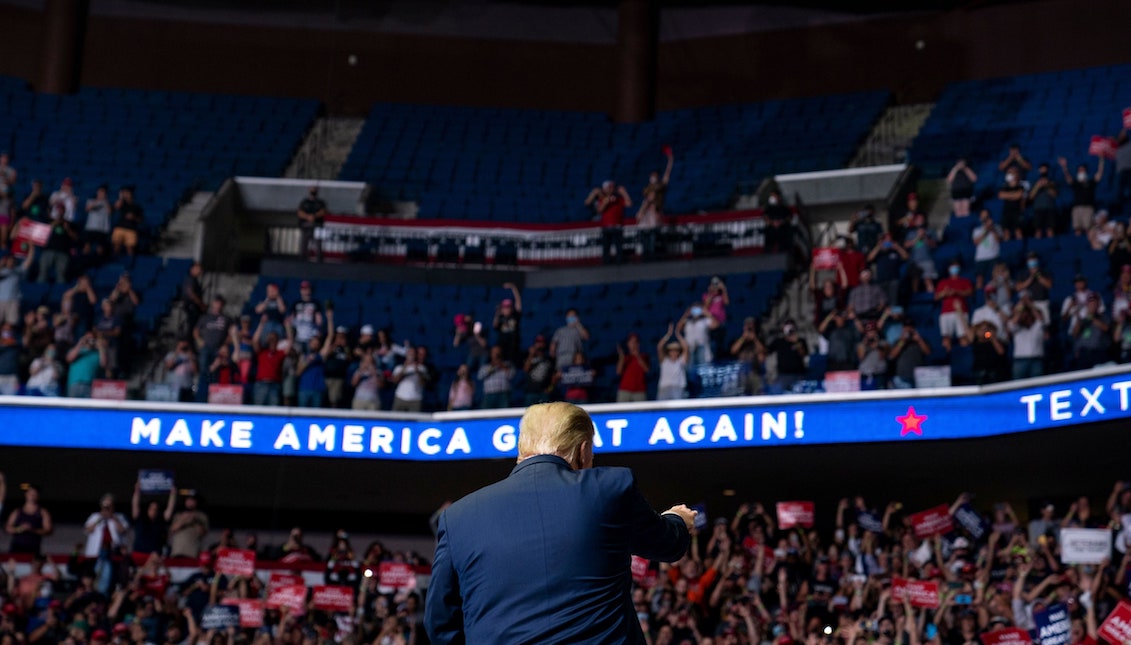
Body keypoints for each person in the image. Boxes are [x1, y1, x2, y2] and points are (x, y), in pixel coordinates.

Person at [424, 402, 695, 645]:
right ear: (583, 450)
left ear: (521, 447)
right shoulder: (610, 489)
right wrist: (677, 519)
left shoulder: (458, 517)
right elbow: (667, 544)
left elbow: (440, 624)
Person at [635, 149, 674, 260]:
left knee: (654, 235)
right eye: (652, 176)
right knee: (645, 234)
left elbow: (667, 174)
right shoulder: (647, 189)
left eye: (655, 176)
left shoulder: (660, 186)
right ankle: (646, 254)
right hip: (647, 213)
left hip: (655, 212)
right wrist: (641, 213)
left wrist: (670, 160)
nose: (653, 178)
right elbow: (646, 201)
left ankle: (652, 255)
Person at [585, 180, 632, 264]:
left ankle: (619, 261)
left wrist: (624, 193)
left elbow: (629, 204)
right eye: (608, 188)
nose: (610, 189)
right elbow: (599, 210)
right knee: (606, 247)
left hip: (617, 226)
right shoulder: (602, 199)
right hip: (606, 227)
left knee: (619, 246)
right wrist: (605, 202)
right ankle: (607, 262)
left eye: (612, 187)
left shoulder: (619, 199)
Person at [1058, 156, 1103, 234]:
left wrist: (1101, 161)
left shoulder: (1091, 182)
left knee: (1088, 228)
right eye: (1080, 170)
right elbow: (1068, 178)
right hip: (1077, 208)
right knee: (1077, 229)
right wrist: (1064, 166)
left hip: (1088, 207)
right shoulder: (1075, 183)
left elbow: (1099, 174)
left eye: (1083, 170)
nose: (1081, 171)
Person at [935, 260, 973, 352]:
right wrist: (944, 293)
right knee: (946, 337)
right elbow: (936, 297)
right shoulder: (943, 282)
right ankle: (947, 358)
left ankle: (965, 357)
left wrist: (956, 292)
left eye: (956, 267)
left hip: (961, 311)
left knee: (963, 337)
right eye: (952, 267)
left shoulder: (965, 281)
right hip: (946, 312)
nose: (954, 269)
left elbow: (970, 292)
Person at [131, 480, 175, 558]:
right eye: (151, 509)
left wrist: (173, 494)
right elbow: (135, 505)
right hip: (139, 554)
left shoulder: (160, 522)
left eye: (156, 509)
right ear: (147, 509)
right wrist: (137, 491)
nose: (153, 511)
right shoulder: (140, 519)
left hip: (154, 556)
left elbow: (169, 510)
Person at [6, 483, 52, 555]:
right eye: (30, 493)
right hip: (16, 548)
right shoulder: (17, 511)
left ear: (38, 496)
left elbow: (48, 530)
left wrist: (32, 530)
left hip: (33, 548)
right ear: (26, 494)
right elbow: (8, 528)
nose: (32, 496)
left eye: (34, 494)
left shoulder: (43, 512)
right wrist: (20, 529)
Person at [1009, 294, 1046, 380]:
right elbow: (1011, 324)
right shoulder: (1017, 328)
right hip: (1020, 360)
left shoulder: (1037, 327)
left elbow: (1040, 319)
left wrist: (1030, 304)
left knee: (1037, 386)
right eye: (1024, 315)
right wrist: (1020, 308)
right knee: (1018, 387)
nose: (1025, 317)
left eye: (1027, 315)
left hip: (1036, 360)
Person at [168, 492, 209, 559]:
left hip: (192, 553)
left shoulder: (202, 516)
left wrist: (195, 520)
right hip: (177, 552)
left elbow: (203, 534)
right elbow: (172, 530)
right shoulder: (178, 515)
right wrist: (183, 520)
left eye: (192, 500)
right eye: (188, 500)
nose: (190, 502)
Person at [492, 282, 522, 365]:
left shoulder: (515, 316)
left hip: (513, 343)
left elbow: (518, 302)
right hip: (502, 343)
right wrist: (497, 314)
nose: (507, 309)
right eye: (505, 308)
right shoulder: (500, 317)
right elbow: (495, 325)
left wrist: (513, 288)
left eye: (508, 307)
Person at [656, 324, 689, 401]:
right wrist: (668, 335)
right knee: (661, 410)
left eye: (676, 350)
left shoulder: (681, 361)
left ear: (678, 352)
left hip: (677, 388)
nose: (673, 352)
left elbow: (686, 347)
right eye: (671, 350)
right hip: (664, 388)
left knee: (678, 409)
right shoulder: (664, 361)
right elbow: (659, 347)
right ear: (669, 352)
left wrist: (678, 335)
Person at [391, 345, 429, 411]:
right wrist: (404, 368)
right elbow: (395, 381)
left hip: (415, 399)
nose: (411, 355)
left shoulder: (422, 368)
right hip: (400, 397)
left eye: (413, 353)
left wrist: (417, 370)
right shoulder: (399, 367)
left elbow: (423, 383)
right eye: (409, 353)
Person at [971, 209, 1002, 290]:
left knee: (995, 278)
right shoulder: (977, 230)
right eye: (983, 217)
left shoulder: (997, 227)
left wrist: (992, 229)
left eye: (987, 217)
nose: (985, 219)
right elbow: (976, 242)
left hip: (993, 256)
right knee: (979, 280)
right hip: (981, 258)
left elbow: (998, 239)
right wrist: (986, 230)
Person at [616, 332, 650, 402]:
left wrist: (638, 356)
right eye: (631, 342)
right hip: (625, 389)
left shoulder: (644, 356)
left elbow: (647, 370)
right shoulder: (625, 358)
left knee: (641, 412)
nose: (633, 344)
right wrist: (621, 357)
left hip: (640, 390)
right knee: (621, 411)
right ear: (628, 344)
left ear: (638, 344)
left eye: (635, 342)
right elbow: (618, 372)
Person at [297, 185, 327, 261]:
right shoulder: (304, 202)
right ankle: (302, 259)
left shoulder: (320, 202)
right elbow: (300, 212)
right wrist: (308, 217)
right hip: (306, 226)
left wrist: (314, 216)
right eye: (312, 188)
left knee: (318, 245)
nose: (313, 190)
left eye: (315, 188)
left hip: (317, 225)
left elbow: (323, 211)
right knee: (304, 244)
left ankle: (319, 260)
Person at [1028, 163, 1058, 239]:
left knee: (1050, 229)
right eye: (1042, 168)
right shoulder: (1034, 182)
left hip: (1050, 208)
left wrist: (1047, 186)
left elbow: (1055, 195)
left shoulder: (1052, 181)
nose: (1043, 170)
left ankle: (1051, 245)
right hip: (1038, 208)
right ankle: (1037, 247)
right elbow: (1031, 196)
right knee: (1038, 230)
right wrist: (1038, 186)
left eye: (1045, 168)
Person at [111, 185, 143, 257]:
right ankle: (114, 261)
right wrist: (121, 197)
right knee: (116, 246)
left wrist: (133, 217)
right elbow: (116, 207)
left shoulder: (137, 206)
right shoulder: (122, 204)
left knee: (130, 248)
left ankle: (130, 264)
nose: (126, 195)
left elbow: (140, 220)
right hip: (120, 227)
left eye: (127, 193)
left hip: (131, 229)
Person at [998, 169, 1026, 240]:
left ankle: (1020, 248)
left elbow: (1019, 195)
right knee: (1006, 232)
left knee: (1018, 231)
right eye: (1010, 173)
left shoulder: (1020, 186)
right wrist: (1013, 195)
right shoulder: (1005, 186)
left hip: (1017, 212)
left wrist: (1008, 195)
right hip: (1007, 212)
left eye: (1013, 173)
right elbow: (1001, 195)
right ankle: (1007, 249)